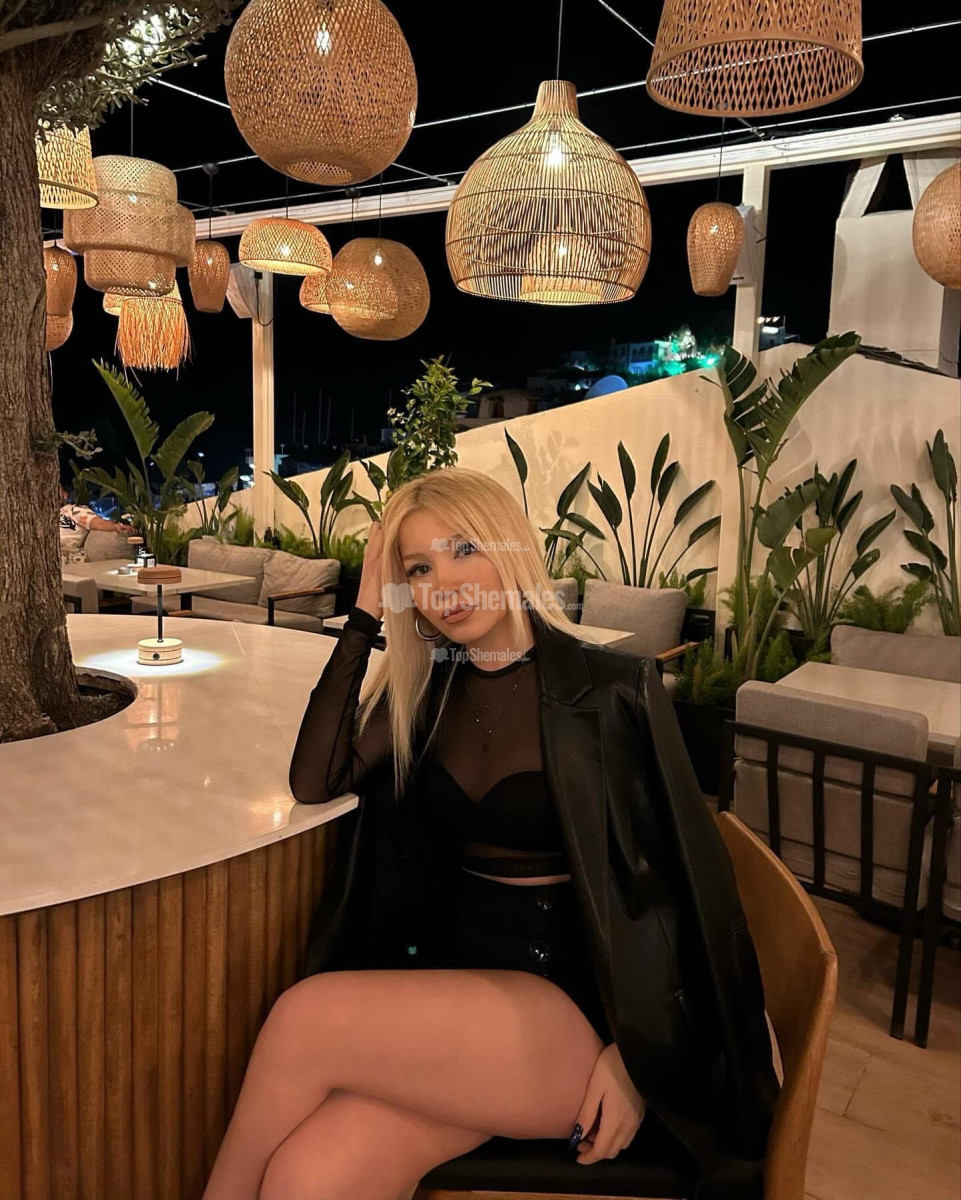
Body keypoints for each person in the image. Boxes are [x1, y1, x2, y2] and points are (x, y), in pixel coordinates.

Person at [203, 467, 778, 1200]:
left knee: (302, 1020)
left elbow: (687, 891)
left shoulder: (610, 689)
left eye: (464, 549)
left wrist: (638, 1054)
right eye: (419, 569)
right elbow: (316, 779)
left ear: (510, 549)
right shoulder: (428, 689)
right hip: (457, 1009)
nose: (445, 585)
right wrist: (366, 613)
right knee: (305, 1179)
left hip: (574, 1015)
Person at [58, 483, 129, 563]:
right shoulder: (46, 516)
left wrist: (116, 526)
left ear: (65, 495)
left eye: (57, 489)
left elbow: (98, 522)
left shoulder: (73, 510)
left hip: (63, 555)